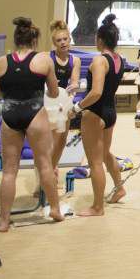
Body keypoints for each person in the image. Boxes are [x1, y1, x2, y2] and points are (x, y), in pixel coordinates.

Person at [0, 17, 64, 231]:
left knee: (9, 171)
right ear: (34, 40)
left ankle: (4, 221)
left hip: (10, 115)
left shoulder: (2, 62)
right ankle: (55, 210)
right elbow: (54, 92)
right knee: (45, 164)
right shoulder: (43, 60)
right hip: (35, 114)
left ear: (15, 39)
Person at [73, 14, 126, 215]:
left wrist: (77, 108)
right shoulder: (119, 59)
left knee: (95, 161)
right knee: (104, 154)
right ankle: (119, 187)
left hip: (95, 113)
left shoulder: (99, 61)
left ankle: (97, 207)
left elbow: (95, 92)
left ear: (100, 40)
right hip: (111, 111)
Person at [48, 20, 81, 180]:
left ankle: (53, 166)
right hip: (48, 102)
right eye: (58, 40)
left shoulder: (75, 60)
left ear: (69, 39)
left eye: (65, 39)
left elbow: (74, 81)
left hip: (64, 101)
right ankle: (45, 173)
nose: (62, 43)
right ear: (54, 43)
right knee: (50, 141)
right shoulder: (48, 58)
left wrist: (74, 86)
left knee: (61, 140)